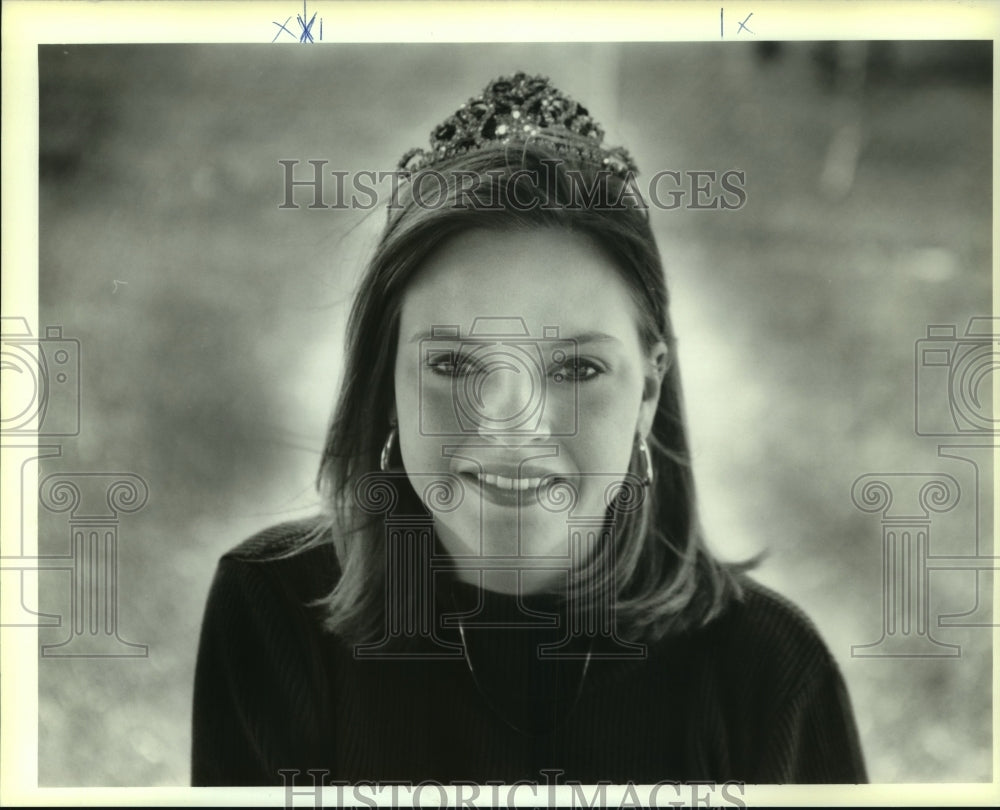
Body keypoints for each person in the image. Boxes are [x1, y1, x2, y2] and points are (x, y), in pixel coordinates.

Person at [191, 71, 867, 787]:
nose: (512, 427)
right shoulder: (274, 613)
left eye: (576, 370)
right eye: (452, 362)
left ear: (648, 388)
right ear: (385, 378)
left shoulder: (768, 673)